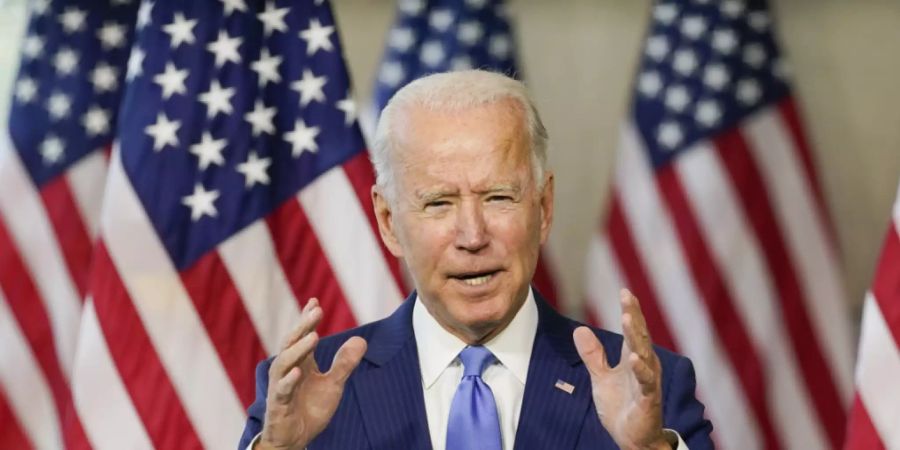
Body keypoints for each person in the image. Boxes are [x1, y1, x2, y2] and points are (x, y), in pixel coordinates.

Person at [238, 70, 713, 450]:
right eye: (439, 203)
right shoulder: (303, 392)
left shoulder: (650, 390)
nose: (472, 235)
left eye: (499, 197)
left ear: (543, 208)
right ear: (387, 221)